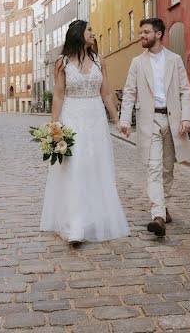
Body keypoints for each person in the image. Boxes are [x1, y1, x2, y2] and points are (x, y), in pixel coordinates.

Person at [40, 20, 130, 245]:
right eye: (90, 29)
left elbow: (107, 93)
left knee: (95, 167)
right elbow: (59, 95)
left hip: (95, 119)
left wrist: (117, 120)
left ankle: (94, 219)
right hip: (72, 117)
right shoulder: (62, 62)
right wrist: (54, 127)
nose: (94, 33)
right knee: (74, 168)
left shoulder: (100, 61)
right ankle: (74, 225)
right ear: (78, 34)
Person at [120, 18, 190, 237]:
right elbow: (129, 92)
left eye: (145, 32)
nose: (141, 36)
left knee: (167, 169)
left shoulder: (175, 60)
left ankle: (163, 206)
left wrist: (186, 117)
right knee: (153, 168)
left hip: (173, 121)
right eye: (141, 32)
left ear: (158, 34)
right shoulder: (137, 62)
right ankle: (158, 216)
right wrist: (125, 120)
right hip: (149, 121)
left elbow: (185, 90)